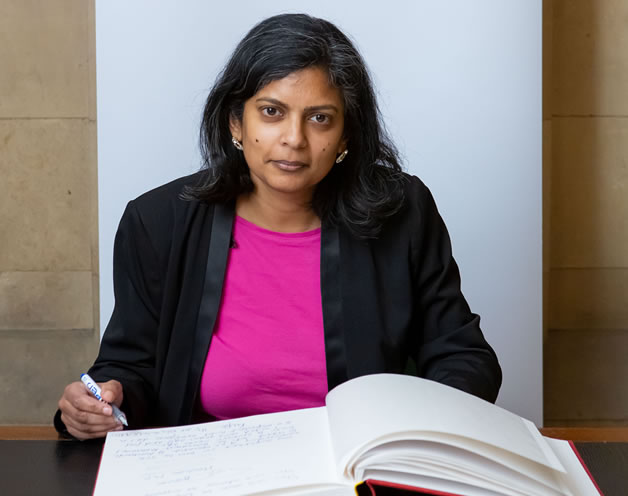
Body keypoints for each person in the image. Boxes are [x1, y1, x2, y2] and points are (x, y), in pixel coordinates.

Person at [56, 13, 501, 440]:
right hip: (211, 472)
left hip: (353, 474)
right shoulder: (158, 222)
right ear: (236, 121)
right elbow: (130, 367)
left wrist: (418, 433)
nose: (294, 138)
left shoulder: (402, 211)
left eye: (320, 117)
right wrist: (101, 402)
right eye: (271, 112)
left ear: (346, 135)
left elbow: (462, 355)